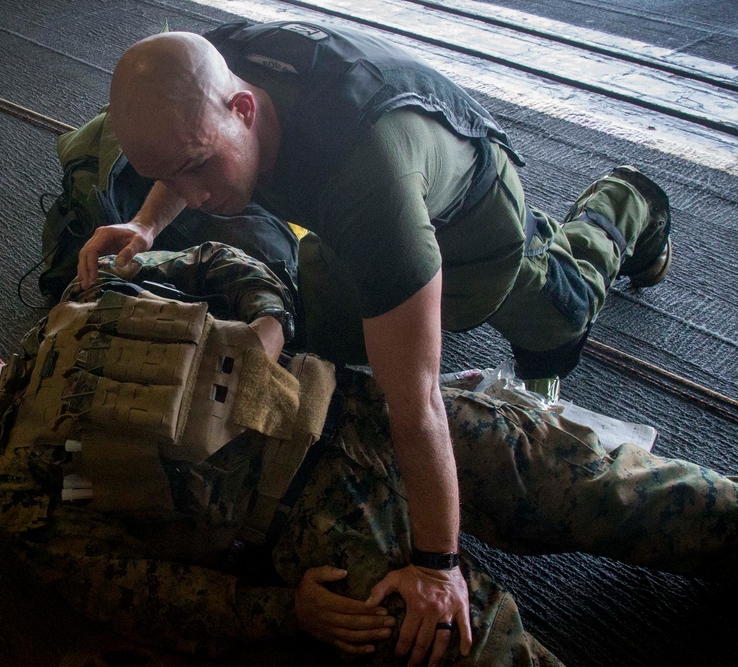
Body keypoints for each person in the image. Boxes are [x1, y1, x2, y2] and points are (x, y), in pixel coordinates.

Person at [0, 244, 738, 667]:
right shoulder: (25, 498)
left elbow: (224, 264)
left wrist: (273, 322)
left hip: (364, 406)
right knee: (461, 649)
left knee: (607, 484)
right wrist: (288, 612)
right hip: (312, 528)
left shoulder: (92, 294)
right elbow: (144, 594)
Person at [73, 21, 675, 650]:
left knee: (561, 313)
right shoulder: (211, 76)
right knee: (330, 365)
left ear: (244, 108)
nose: (194, 197)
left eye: (199, 169)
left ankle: (627, 201)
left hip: (472, 223)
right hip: (353, 217)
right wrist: (144, 225)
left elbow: (416, 403)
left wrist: (438, 566)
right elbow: (179, 157)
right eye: (173, 175)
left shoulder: (366, 182)